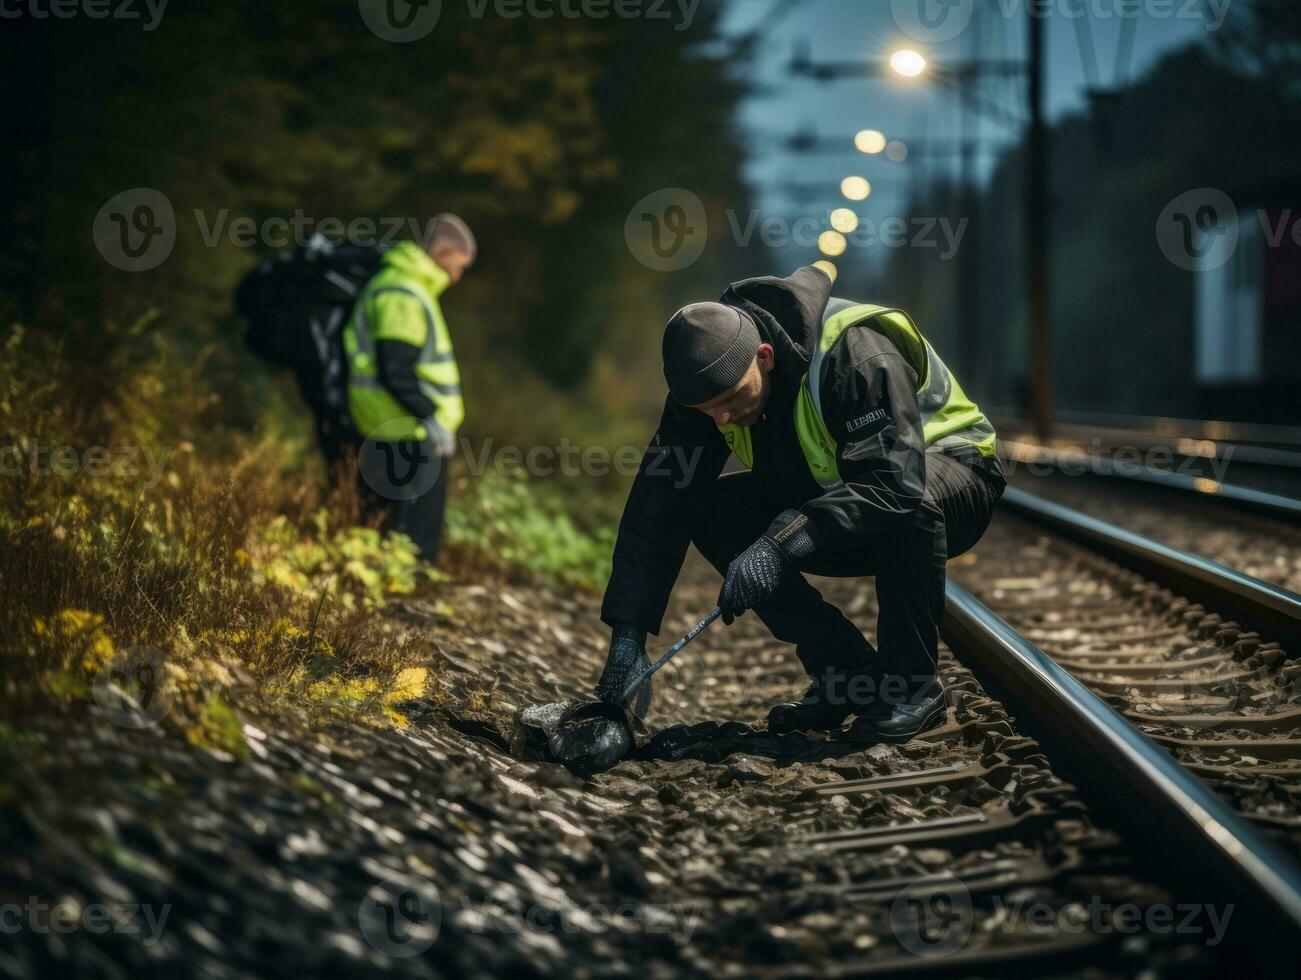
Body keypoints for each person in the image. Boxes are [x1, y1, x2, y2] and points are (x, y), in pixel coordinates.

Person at [595, 265, 1005, 738]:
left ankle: (911, 687)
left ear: (764, 356)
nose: (722, 417)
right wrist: (629, 632)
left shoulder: (853, 357)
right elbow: (660, 503)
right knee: (709, 511)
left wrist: (784, 540)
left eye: (729, 400)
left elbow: (894, 483)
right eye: (707, 410)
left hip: (953, 474)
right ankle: (846, 676)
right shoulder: (706, 390)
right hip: (843, 487)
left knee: (910, 510)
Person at [343, 214, 476, 562]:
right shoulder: (401, 292)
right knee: (412, 539)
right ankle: (405, 599)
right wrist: (431, 418)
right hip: (403, 428)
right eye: (458, 265)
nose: (457, 276)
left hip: (403, 426)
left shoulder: (410, 287)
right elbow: (396, 370)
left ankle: (393, 591)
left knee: (389, 529)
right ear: (444, 250)